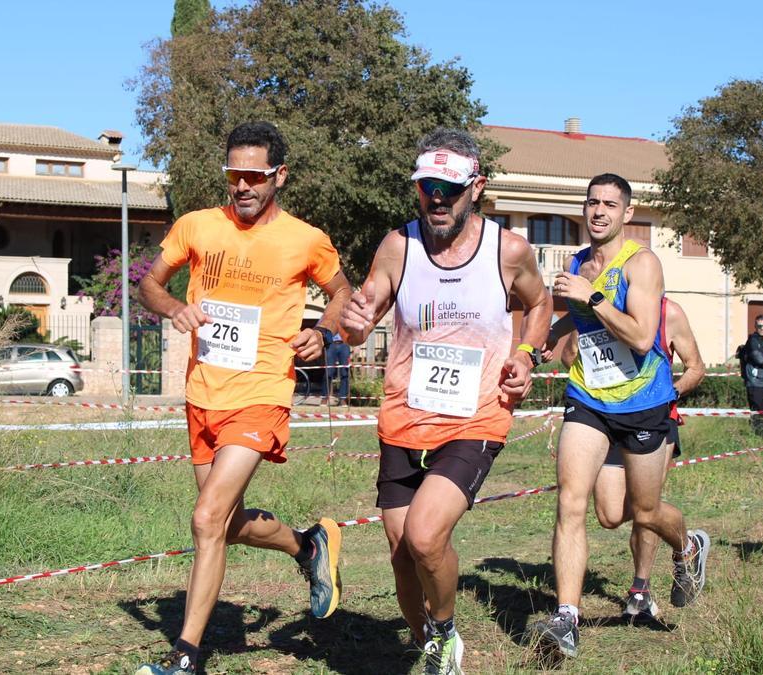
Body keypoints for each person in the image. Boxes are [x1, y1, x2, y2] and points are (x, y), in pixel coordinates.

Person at [135, 121, 353, 675]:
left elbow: (342, 292)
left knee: (207, 517)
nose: (242, 186)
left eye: (254, 176)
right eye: (235, 175)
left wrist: (323, 331)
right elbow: (150, 284)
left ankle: (186, 654)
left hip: (262, 392)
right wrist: (172, 308)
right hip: (203, 393)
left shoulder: (305, 239)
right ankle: (307, 546)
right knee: (224, 523)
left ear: (279, 176)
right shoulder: (197, 226)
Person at [342, 128, 552, 674]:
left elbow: (540, 302)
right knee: (400, 554)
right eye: (426, 187)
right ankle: (433, 649)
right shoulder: (398, 246)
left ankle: (444, 629)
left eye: (449, 188)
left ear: (475, 188)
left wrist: (526, 355)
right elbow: (363, 317)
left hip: (476, 415)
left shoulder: (507, 250)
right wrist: (355, 322)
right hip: (404, 416)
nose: (436, 198)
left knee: (425, 534)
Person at [530, 174, 709, 658]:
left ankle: (687, 546)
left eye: (611, 204)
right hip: (589, 397)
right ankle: (566, 617)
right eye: (592, 202)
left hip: (642, 405)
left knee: (643, 513)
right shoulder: (578, 262)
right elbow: (584, 317)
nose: (599, 211)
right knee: (574, 503)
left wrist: (590, 296)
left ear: (627, 214)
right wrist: (549, 337)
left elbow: (638, 334)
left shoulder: (642, 264)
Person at [553, 297, 706, 623]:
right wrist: (581, 330)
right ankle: (688, 544)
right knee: (609, 515)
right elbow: (568, 359)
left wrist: (671, 392)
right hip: (604, 414)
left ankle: (642, 586)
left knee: (644, 508)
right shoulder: (594, 311)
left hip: (653, 417)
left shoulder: (669, 312)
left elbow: (695, 367)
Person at [323, 329, 351, 404]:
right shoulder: (329, 317)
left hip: (344, 344)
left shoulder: (347, 317)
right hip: (331, 345)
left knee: (345, 373)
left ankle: (342, 399)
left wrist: (357, 346)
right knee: (328, 372)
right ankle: (324, 397)